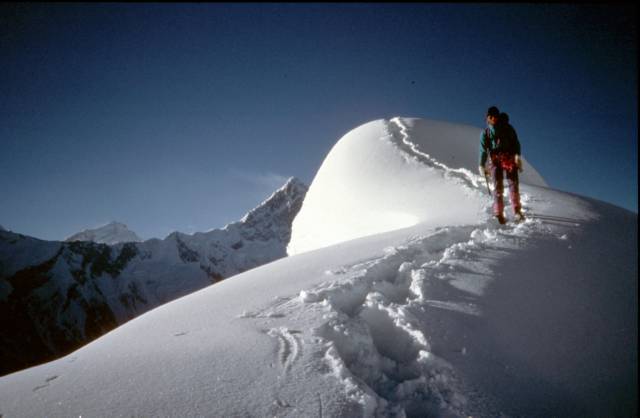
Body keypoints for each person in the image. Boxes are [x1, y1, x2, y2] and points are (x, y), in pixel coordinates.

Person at [478, 106, 525, 224]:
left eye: (495, 116)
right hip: (496, 160)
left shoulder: (507, 128)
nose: (493, 118)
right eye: (490, 116)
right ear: (487, 118)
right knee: (498, 186)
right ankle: (499, 213)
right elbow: (483, 150)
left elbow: (516, 143)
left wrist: (517, 156)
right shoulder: (485, 133)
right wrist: (481, 164)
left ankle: (517, 211)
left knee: (513, 184)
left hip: (508, 157)